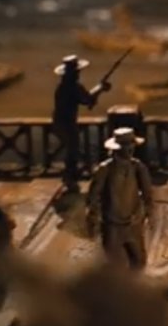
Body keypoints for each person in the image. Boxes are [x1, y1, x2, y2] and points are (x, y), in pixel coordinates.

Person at [86, 128, 154, 270]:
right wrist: (93, 217)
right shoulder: (105, 169)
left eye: (131, 145)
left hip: (133, 223)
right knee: (115, 264)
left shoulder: (138, 167)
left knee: (139, 261)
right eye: (126, 146)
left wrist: (148, 212)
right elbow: (93, 195)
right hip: (112, 224)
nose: (130, 149)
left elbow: (147, 193)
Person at [51, 55, 111, 193]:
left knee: (73, 149)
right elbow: (87, 99)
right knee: (73, 150)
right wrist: (100, 88)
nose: (79, 74)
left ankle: (71, 177)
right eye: (77, 72)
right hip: (66, 122)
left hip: (60, 121)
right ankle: (70, 178)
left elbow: (86, 98)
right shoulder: (73, 86)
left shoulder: (63, 86)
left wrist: (99, 88)